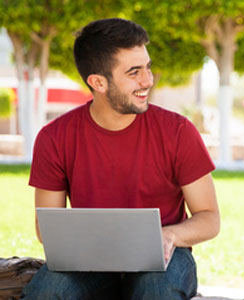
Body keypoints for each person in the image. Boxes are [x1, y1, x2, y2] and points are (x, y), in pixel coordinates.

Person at [22, 18, 220, 300]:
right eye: (134, 72)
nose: (148, 80)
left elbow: (209, 218)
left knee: (156, 292)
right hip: (87, 262)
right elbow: (47, 229)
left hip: (163, 262)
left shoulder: (178, 131)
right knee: (47, 291)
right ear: (98, 82)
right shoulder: (54, 137)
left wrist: (170, 236)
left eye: (147, 67)